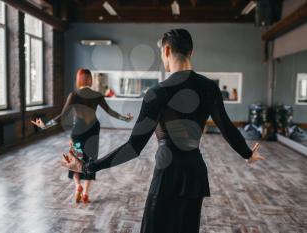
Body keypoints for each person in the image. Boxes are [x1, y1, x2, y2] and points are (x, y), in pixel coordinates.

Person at [63, 29, 265, 232]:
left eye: (161, 53)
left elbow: (134, 147)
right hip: (195, 171)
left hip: (168, 172)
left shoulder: (157, 93)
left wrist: (88, 167)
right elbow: (227, 128)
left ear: (166, 50)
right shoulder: (209, 88)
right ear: (191, 52)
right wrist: (247, 153)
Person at [32, 68, 133, 203]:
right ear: (90, 80)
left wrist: (45, 125)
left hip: (78, 132)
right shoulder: (97, 95)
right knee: (90, 161)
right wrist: (126, 119)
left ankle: (78, 186)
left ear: (78, 79)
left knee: (75, 160)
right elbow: (111, 112)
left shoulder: (73, 95)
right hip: (93, 131)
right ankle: (85, 193)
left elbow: (62, 116)